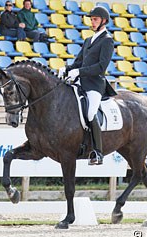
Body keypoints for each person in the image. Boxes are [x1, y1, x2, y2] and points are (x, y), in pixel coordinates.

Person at [58, 6, 116, 166]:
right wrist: (67, 68)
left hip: (95, 85)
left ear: (103, 21)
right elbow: (78, 62)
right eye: (91, 19)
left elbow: (101, 67)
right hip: (80, 83)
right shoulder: (88, 41)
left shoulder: (107, 41)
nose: (92, 22)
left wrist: (79, 72)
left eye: (95, 19)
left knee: (90, 113)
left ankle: (98, 152)